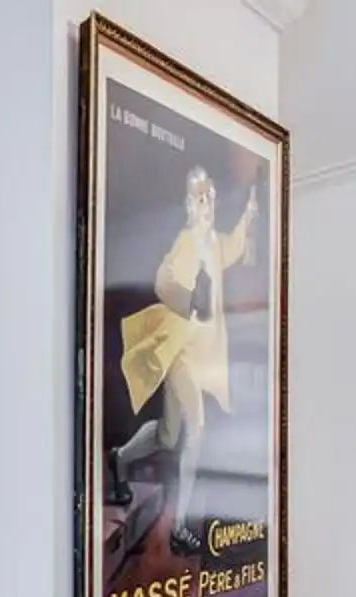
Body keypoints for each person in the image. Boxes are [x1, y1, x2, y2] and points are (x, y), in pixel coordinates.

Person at [107, 166, 258, 555]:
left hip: (204, 354)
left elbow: (236, 246)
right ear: (189, 205)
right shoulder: (186, 242)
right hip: (183, 355)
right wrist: (189, 298)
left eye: (210, 197)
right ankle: (178, 527)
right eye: (199, 198)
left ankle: (119, 459)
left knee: (167, 435)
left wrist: (249, 216)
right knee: (196, 431)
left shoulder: (215, 243)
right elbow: (164, 279)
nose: (206, 205)